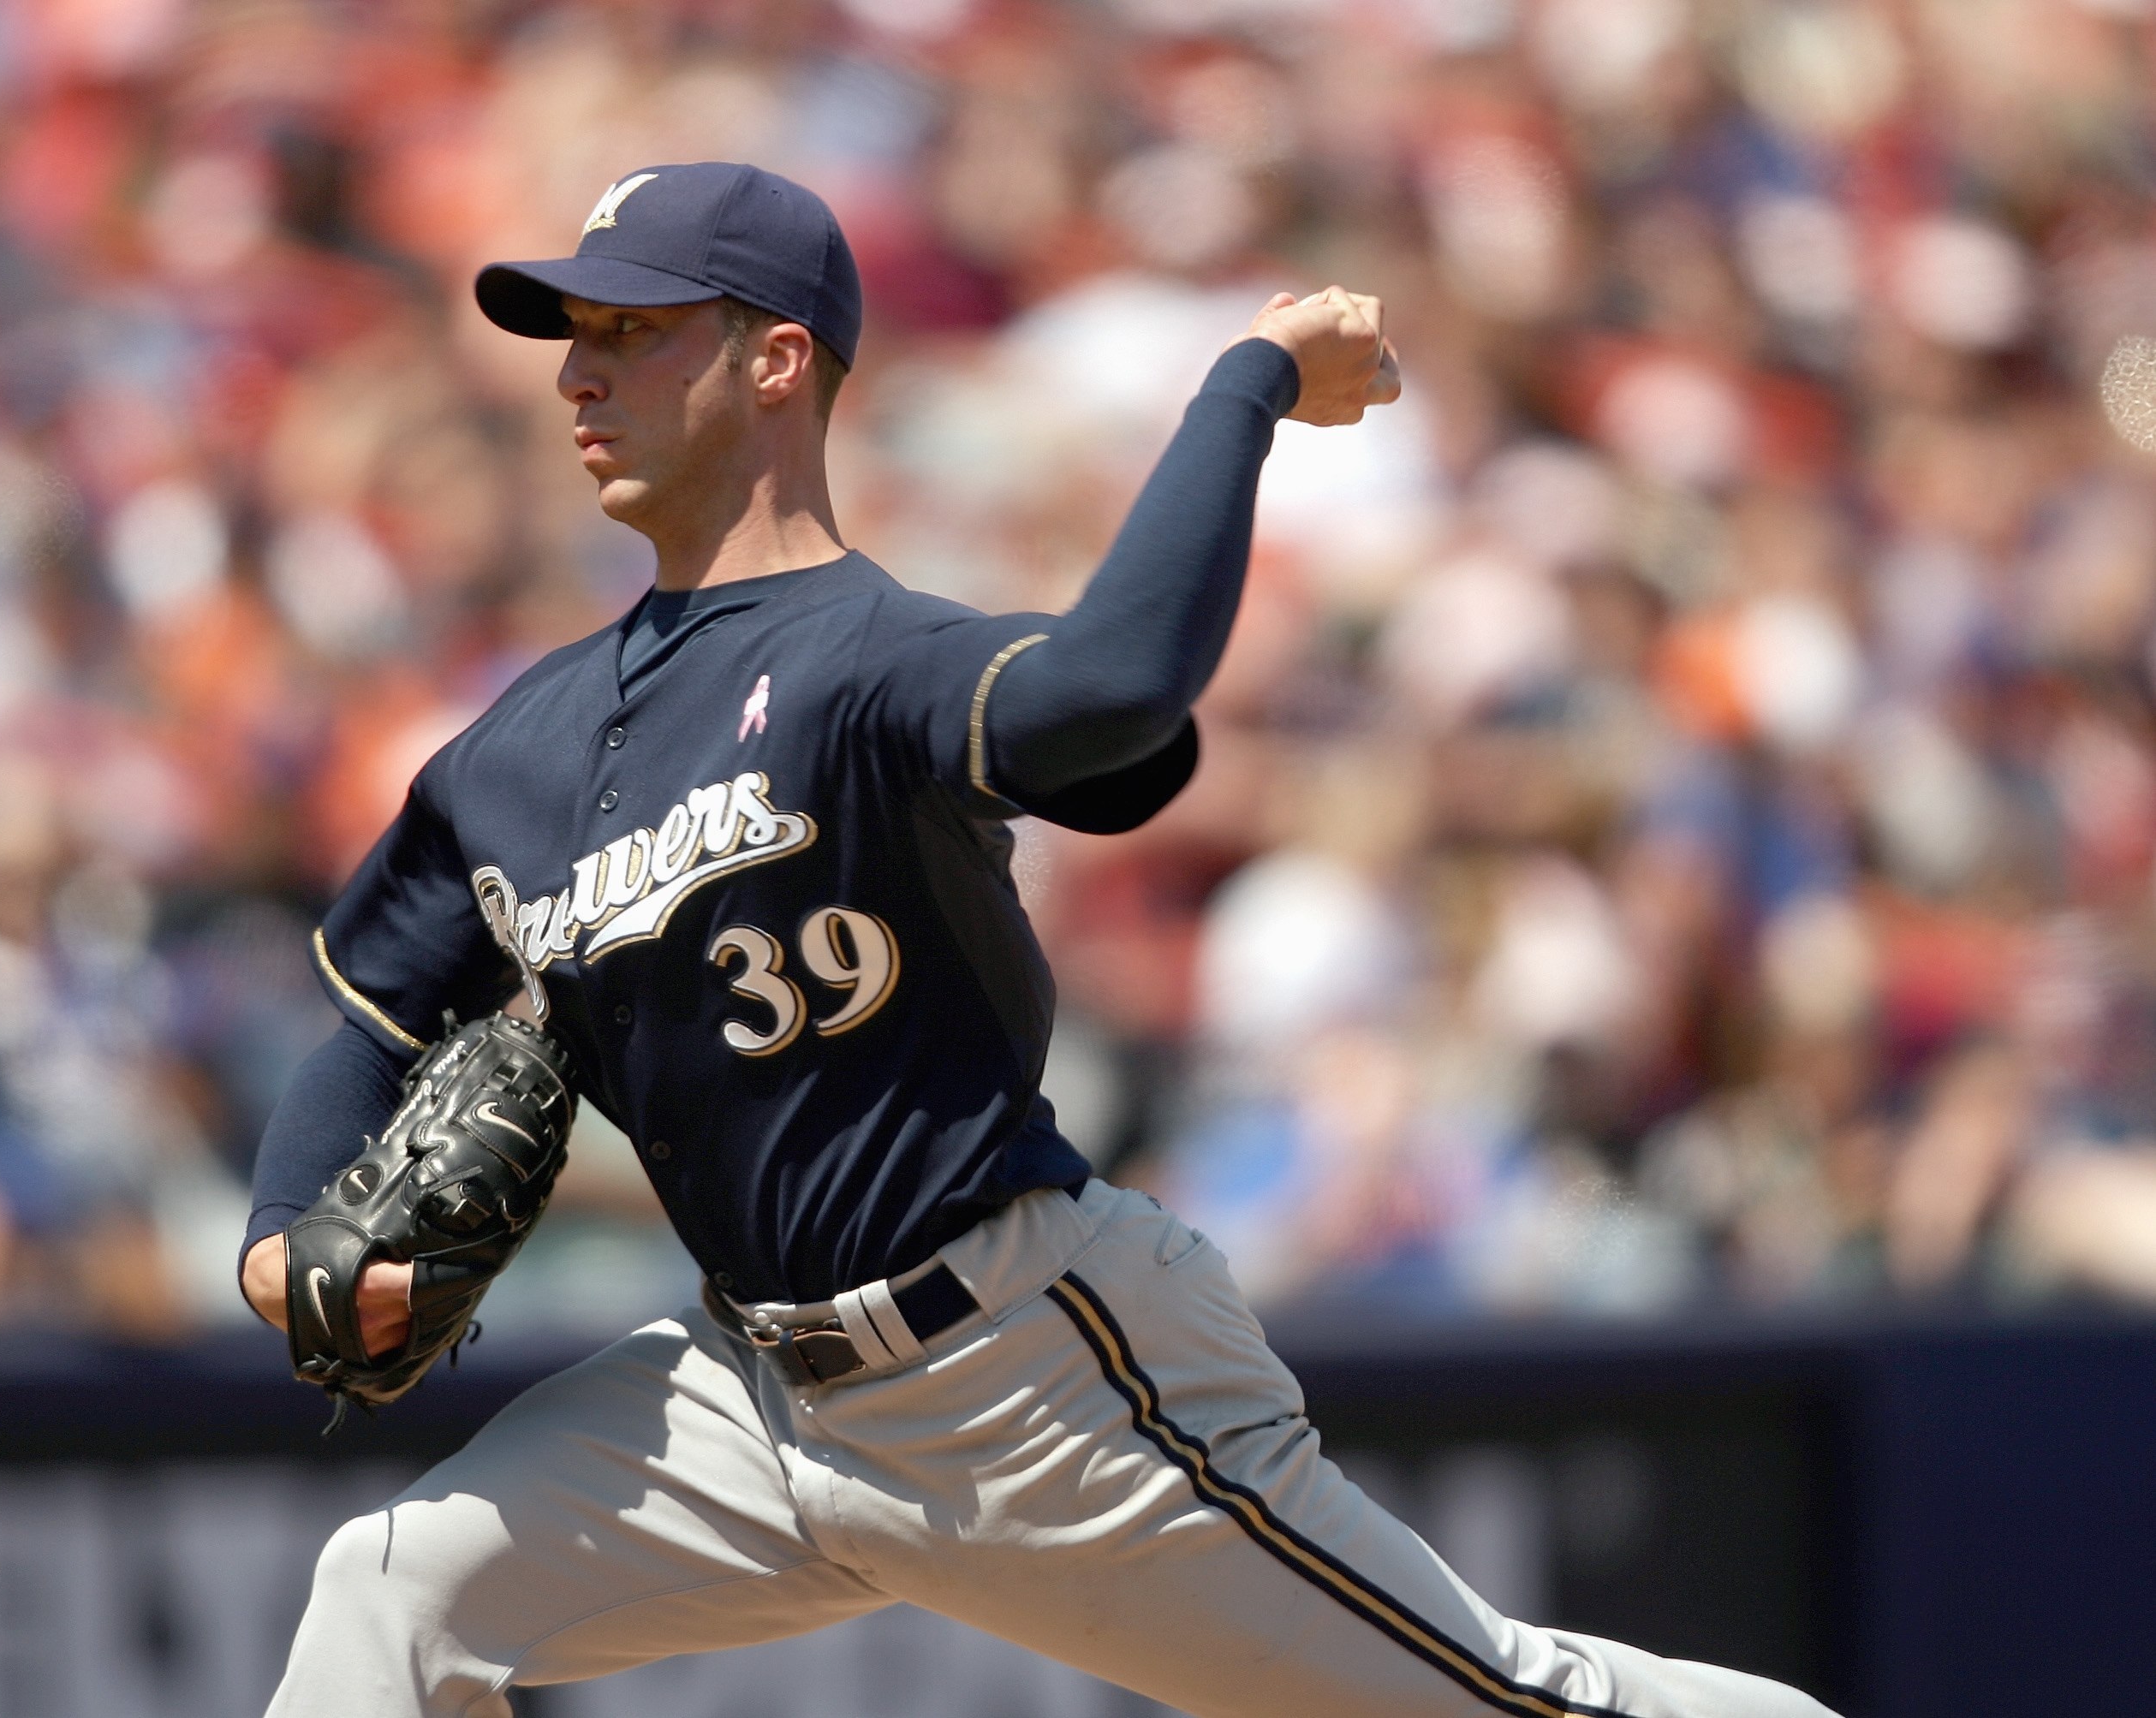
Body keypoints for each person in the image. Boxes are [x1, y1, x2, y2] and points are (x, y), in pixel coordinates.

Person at [237, 162, 1837, 1718]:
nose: (581, 373)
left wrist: (1250, 381)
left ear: (778, 359)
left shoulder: (879, 659)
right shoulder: (513, 750)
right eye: (572, 335)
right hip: (744, 1398)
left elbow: (1114, 689)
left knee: (1499, 1699)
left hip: (1024, 1380)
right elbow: (373, 1024)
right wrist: (281, 1229)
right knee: (393, 1595)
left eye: (636, 330)